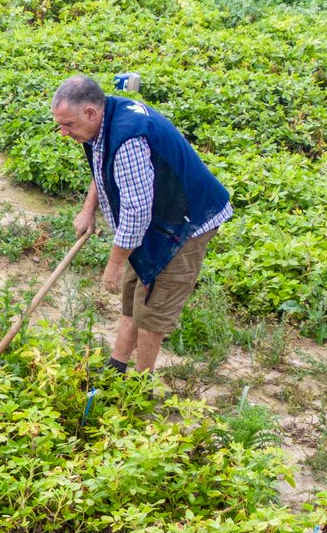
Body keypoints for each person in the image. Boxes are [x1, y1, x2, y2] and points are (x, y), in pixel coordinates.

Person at [51, 74, 232, 375]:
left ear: (90, 113)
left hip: (184, 224)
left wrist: (114, 264)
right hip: (156, 217)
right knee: (135, 293)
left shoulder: (127, 138)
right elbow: (101, 167)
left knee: (153, 310)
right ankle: (116, 369)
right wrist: (88, 210)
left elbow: (136, 213)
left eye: (67, 124)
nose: (63, 132)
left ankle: (139, 386)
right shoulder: (101, 125)